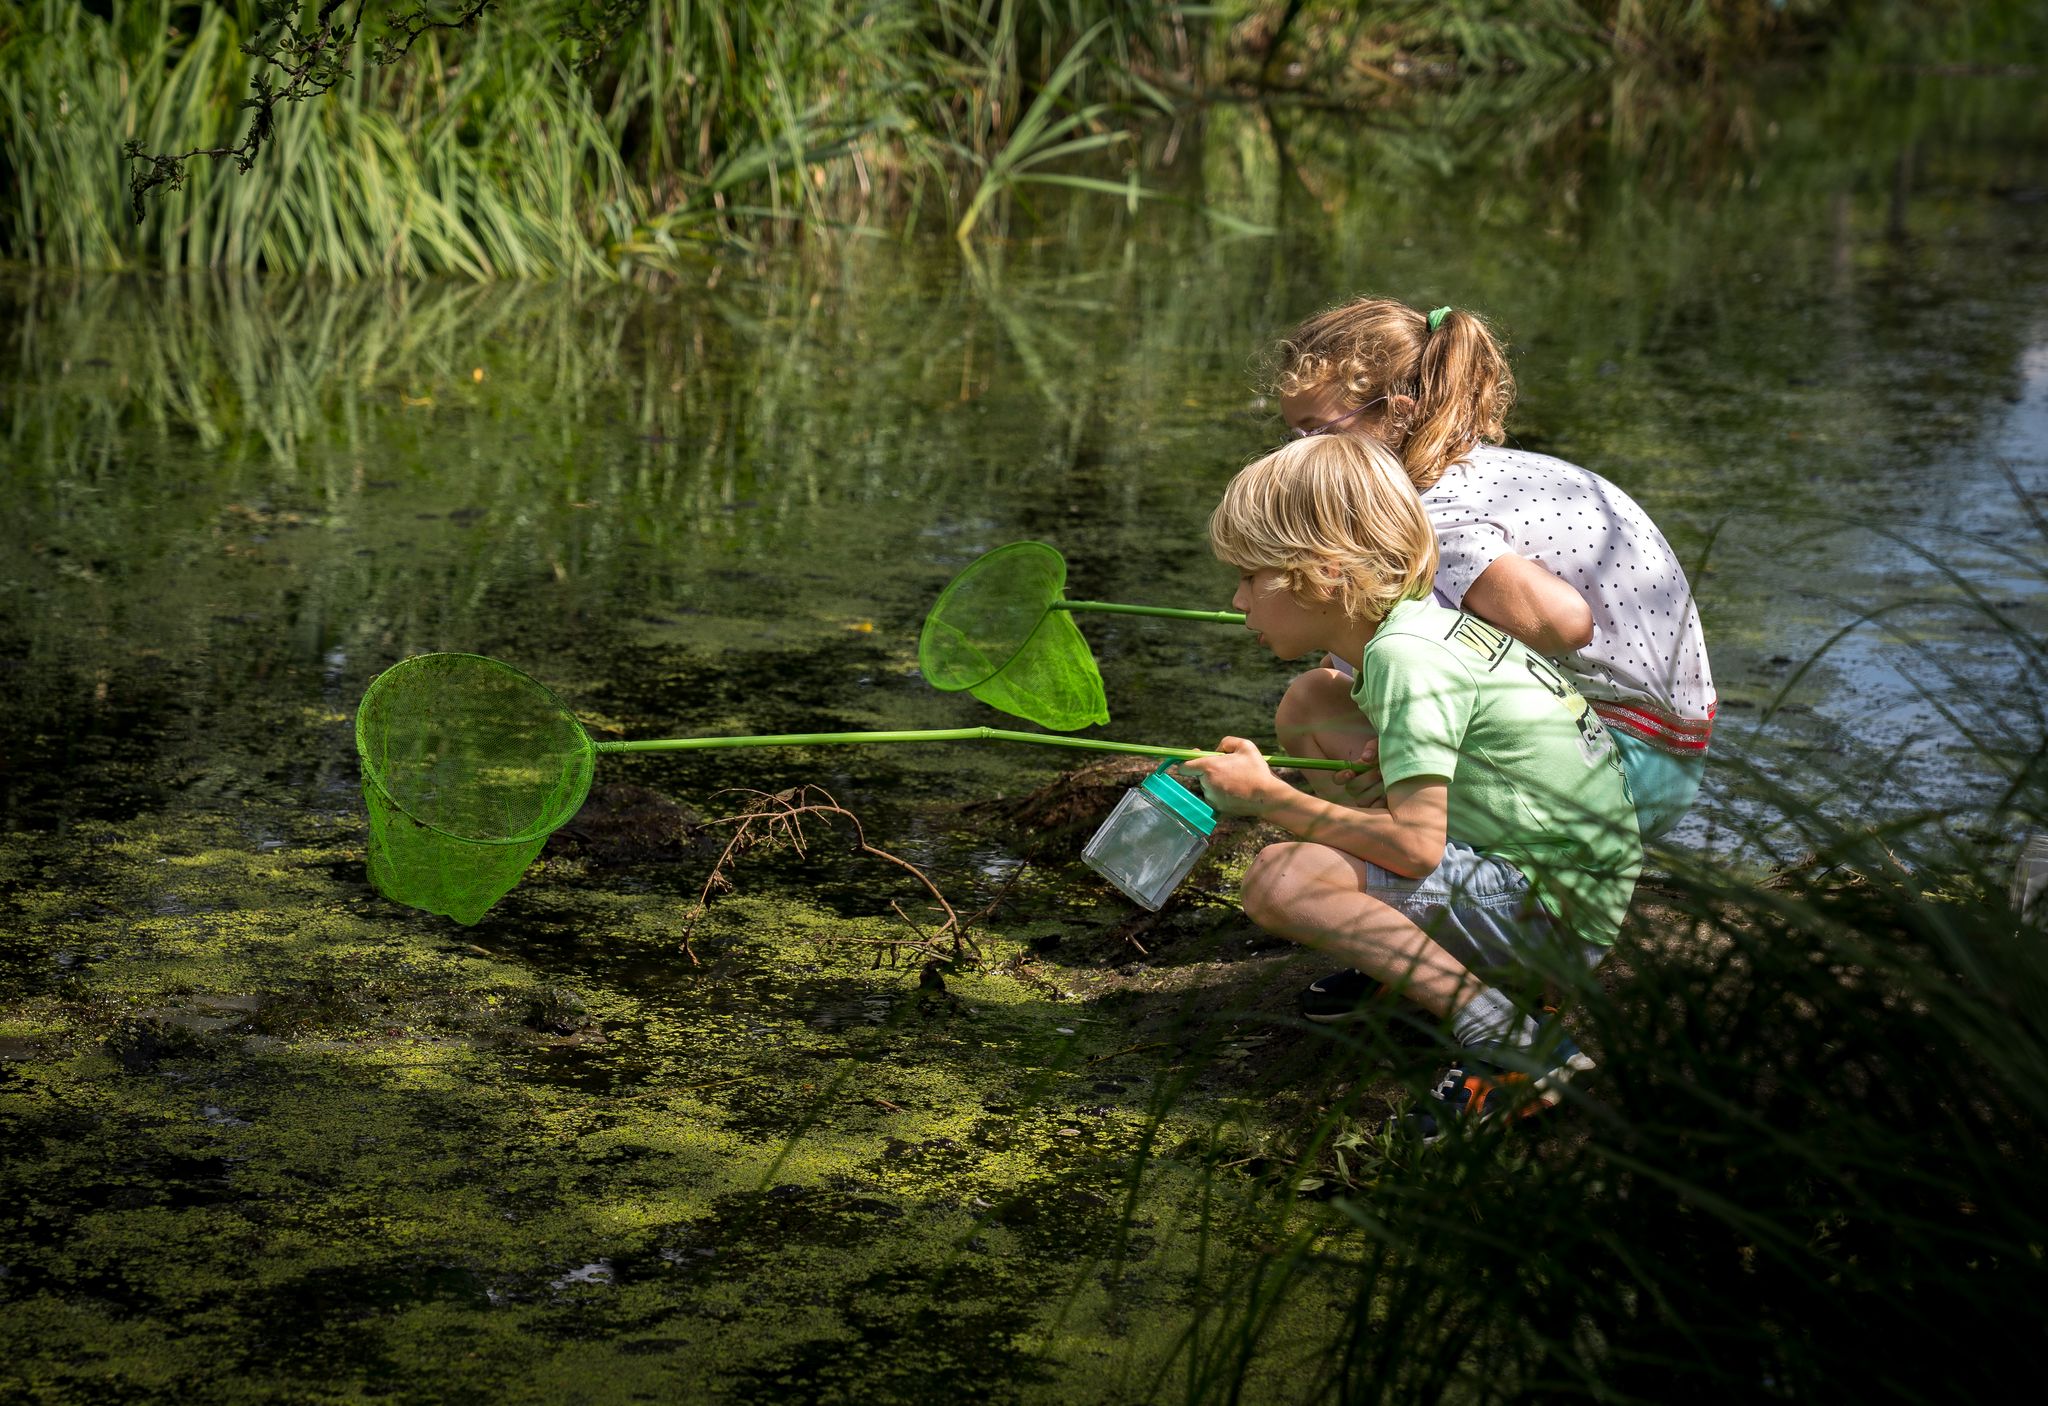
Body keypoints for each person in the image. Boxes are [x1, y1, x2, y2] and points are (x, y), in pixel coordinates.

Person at [1179, 434, 1642, 1137]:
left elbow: (1418, 849)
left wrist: (1269, 797)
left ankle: (1509, 1038)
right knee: (1311, 702)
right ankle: (1408, 954)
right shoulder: (1420, 630)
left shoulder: (1404, 661)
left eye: (1250, 576)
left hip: (1553, 912)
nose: (1237, 598)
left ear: (1324, 573)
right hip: (1557, 872)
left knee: (1280, 880)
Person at [1267, 295, 1712, 1021]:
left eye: (1318, 432)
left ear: (1399, 412)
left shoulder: (1431, 508)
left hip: (1629, 763)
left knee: (1377, 718)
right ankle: (1427, 919)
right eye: (1291, 436)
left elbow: (1564, 624)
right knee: (1317, 701)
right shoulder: (1460, 468)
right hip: (1644, 746)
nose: (1297, 458)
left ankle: (1432, 927)